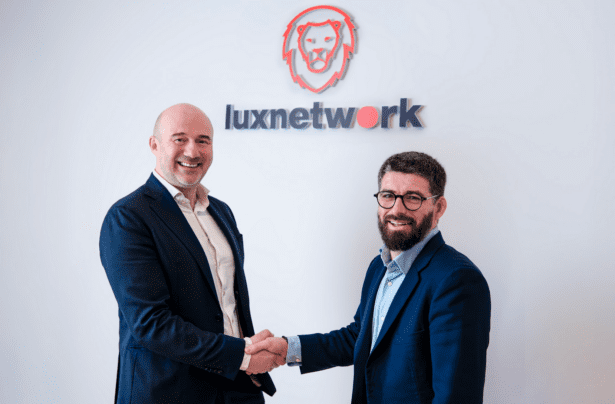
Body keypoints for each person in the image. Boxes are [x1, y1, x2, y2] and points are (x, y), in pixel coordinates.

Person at [247, 151, 491, 403]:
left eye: (413, 198)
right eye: (388, 196)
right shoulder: (380, 266)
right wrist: (288, 349)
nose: (397, 209)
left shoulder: (457, 280)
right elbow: (361, 336)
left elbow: (455, 396)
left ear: (438, 207)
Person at [100, 103, 282, 404]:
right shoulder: (128, 217)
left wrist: (248, 354)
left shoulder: (221, 212)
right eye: (180, 139)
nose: (192, 151)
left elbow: (227, 305)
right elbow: (151, 323)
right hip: (167, 391)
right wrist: (243, 355)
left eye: (203, 141)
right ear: (154, 145)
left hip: (237, 388)